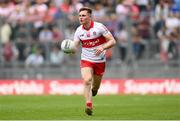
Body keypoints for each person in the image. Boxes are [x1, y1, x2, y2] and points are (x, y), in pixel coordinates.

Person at [64, 7, 116, 116]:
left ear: (89, 16)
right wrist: (70, 50)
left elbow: (112, 41)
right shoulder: (79, 31)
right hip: (86, 60)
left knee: (95, 87)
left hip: (100, 61)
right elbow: (75, 47)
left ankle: (94, 90)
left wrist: (103, 47)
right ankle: (88, 105)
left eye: (83, 15)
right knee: (87, 80)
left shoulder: (99, 27)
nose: (81, 18)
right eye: (79, 16)